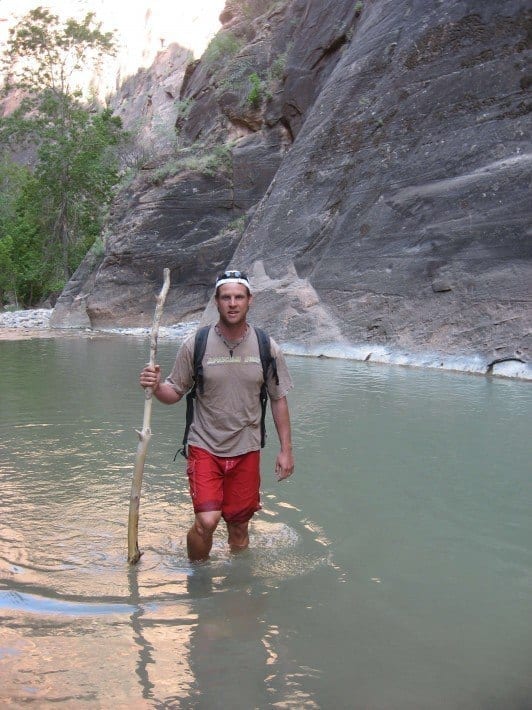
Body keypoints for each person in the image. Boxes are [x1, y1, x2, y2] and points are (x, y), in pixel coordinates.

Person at [139, 270, 294, 562]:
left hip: (247, 448)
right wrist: (157, 385)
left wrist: (286, 450)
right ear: (217, 302)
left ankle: (236, 588)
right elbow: (174, 392)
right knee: (206, 522)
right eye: (226, 297)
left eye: (238, 297)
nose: (232, 303)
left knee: (238, 527)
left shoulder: (266, 347)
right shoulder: (195, 344)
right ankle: (198, 576)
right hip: (205, 446)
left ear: (250, 301)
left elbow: (278, 399)